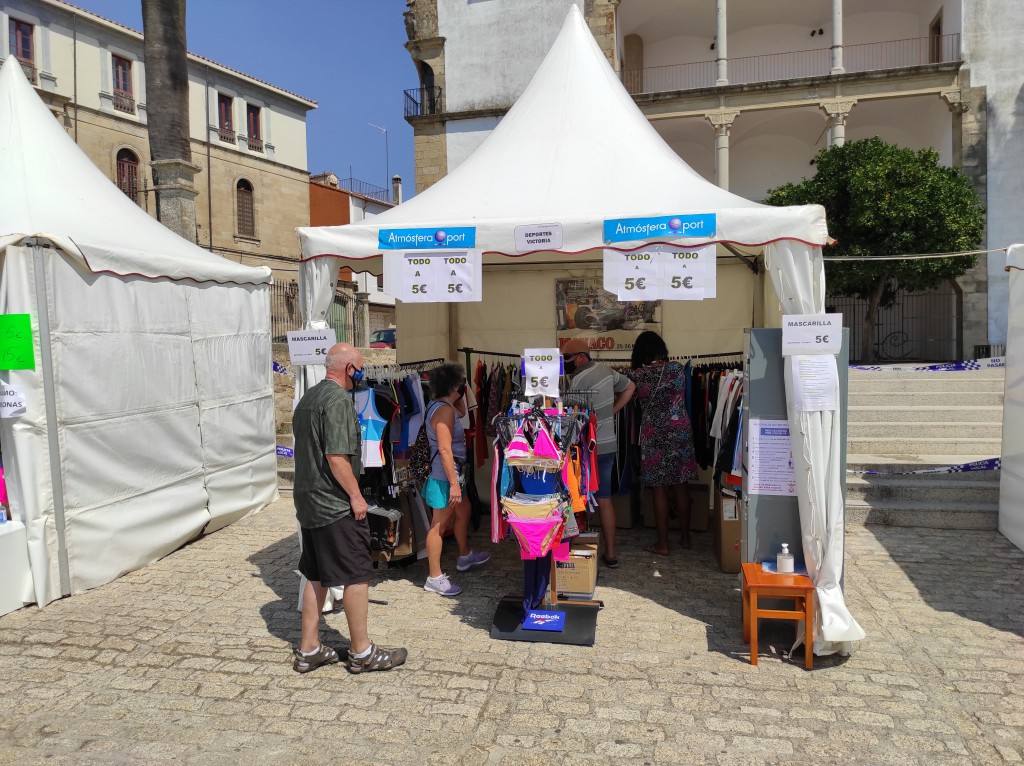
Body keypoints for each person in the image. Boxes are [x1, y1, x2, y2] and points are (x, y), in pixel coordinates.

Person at [291, 343, 407, 674]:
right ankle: (362, 652)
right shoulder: (338, 400)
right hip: (334, 503)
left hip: (308, 500)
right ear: (348, 368)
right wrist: (357, 497)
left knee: (315, 574)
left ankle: (308, 648)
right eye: (360, 366)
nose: (363, 372)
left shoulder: (309, 398)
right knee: (357, 572)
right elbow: (336, 457)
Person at [563, 339, 635, 567]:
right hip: (606, 445)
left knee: (577, 498)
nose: (565, 364)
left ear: (581, 357)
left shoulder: (577, 380)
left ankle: (579, 552)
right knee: (604, 499)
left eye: (568, 359)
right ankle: (611, 554)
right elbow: (631, 387)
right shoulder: (607, 371)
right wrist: (613, 411)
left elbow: (570, 417)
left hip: (583, 449)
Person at [422, 363, 491, 597]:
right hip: (445, 476)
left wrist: (457, 394)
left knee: (464, 511)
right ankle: (434, 577)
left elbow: (461, 412)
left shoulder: (444, 406)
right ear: (453, 386)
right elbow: (444, 448)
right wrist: (453, 483)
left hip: (453, 474)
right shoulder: (443, 411)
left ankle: (465, 554)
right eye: (460, 384)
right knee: (438, 526)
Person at [628, 331, 699, 555]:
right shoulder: (677, 370)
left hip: (654, 433)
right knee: (681, 484)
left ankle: (663, 544)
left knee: (659, 487)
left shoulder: (637, 375)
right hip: (680, 431)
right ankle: (686, 538)